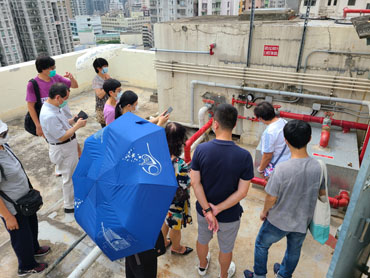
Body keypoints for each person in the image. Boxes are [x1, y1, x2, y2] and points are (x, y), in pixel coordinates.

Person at [243, 120, 326, 278]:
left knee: (261, 244)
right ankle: (283, 275)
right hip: (302, 221)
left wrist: (264, 212)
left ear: (286, 141)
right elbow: (321, 194)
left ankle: (259, 275)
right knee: (294, 251)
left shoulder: (282, 169)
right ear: (309, 139)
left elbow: (271, 196)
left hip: (278, 220)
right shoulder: (319, 166)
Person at [191, 104, 254, 278]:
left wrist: (208, 210)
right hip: (229, 214)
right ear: (234, 126)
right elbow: (242, 192)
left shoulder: (201, 150)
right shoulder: (244, 156)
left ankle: (202, 266)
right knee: (226, 248)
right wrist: (217, 209)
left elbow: (195, 183)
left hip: (204, 211)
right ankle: (224, 275)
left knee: (203, 239)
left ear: (215, 124)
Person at [0, 120, 50, 276]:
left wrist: (29, 187)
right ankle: (27, 265)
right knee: (21, 237)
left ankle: (34, 249)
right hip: (12, 207)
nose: (4, 135)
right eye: (1, 134)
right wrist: (8, 217)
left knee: (32, 228)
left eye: (4, 132)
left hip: (25, 199)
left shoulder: (5, 147)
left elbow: (18, 168)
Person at [39, 83, 87, 214]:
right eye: (65, 99)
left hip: (66, 148)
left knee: (71, 174)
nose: (65, 101)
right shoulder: (49, 115)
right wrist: (77, 126)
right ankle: (69, 205)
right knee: (69, 178)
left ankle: (72, 200)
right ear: (58, 97)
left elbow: (62, 124)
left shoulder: (53, 108)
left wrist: (73, 120)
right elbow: (61, 137)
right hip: (63, 149)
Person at [26, 55, 78, 137]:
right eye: (51, 68)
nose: (53, 70)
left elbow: (74, 86)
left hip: (64, 115)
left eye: (54, 68)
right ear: (43, 69)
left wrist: (71, 78)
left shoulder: (55, 77)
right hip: (50, 120)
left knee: (71, 137)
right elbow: (31, 107)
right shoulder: (33, 84)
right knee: (57, 141)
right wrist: (38, 125)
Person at [161, 122, 193, 255]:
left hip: (161, 199)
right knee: (175, 226)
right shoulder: (180, 164)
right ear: (180, 141)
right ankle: (177, 247)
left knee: (164, 220)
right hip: (175, 202)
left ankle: (162, 242)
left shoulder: (158, 156)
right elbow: (186, 184)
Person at [254, 102, 290, 178]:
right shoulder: (284, 122)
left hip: (276, 169)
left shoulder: (269, 133)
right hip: (288, 163)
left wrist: (260, 169)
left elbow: (267, 156)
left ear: (260, 118)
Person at [92, 58, 110, 128]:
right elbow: (100, 95)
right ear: (98, 68)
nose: (106, 68)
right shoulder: (96, 80)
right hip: (102, 107)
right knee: (106, 128)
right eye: (104, 66)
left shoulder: (107, 76)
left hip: (110, 105)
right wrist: (107, 83)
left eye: (106, 66)